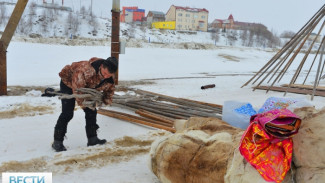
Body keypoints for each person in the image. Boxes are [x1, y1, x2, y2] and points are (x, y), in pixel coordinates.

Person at [52, 57, 118, 152]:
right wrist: (86, 105)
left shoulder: (109, 77)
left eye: (109, 75)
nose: (106, 76)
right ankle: (57, 142)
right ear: (101, 66)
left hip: (87, 87)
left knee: (91, 111)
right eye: (104, 73)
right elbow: (78, 93)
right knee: (68, 113)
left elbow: (110, 90)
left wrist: (105, 101)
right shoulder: (84, 70)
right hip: (69, 82)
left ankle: (92, 139)